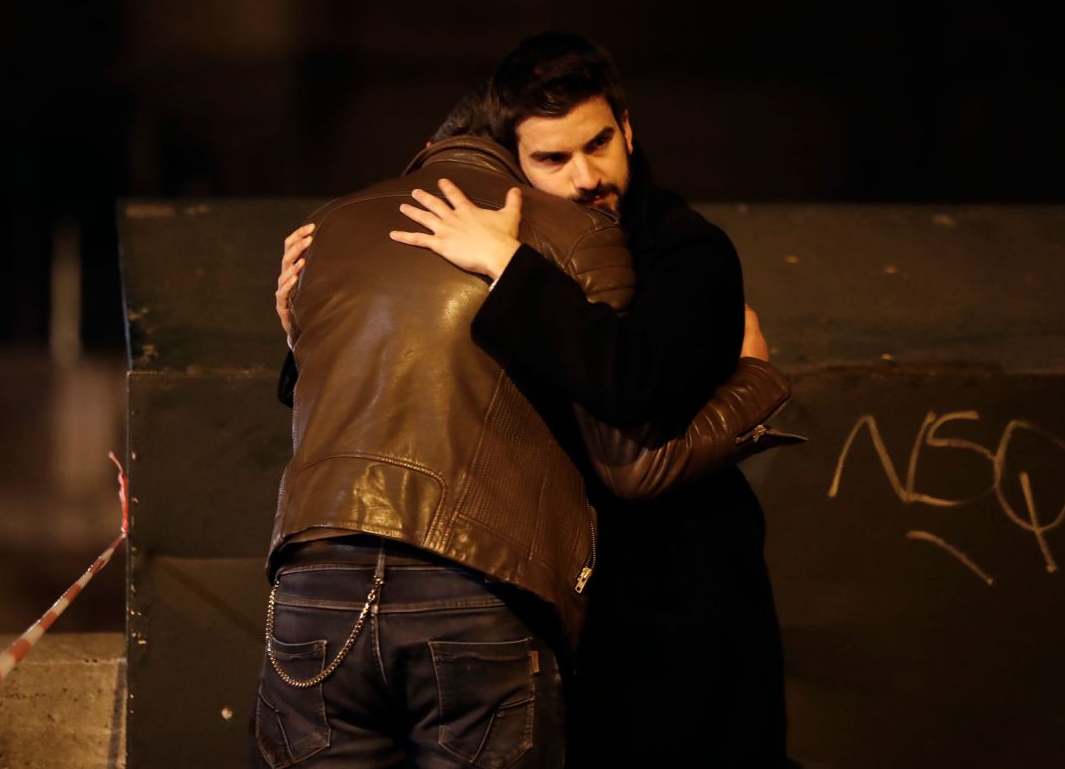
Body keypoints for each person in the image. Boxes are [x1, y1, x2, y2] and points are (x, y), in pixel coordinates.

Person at [259, 99, 796, 765]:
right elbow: (635, 464)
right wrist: (755, 380)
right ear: (516, 159)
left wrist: (295, 330)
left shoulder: (328, 227)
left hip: (312, 584)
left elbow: (335, 418)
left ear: (426, 149)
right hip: (472, 589)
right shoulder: (572, 233)